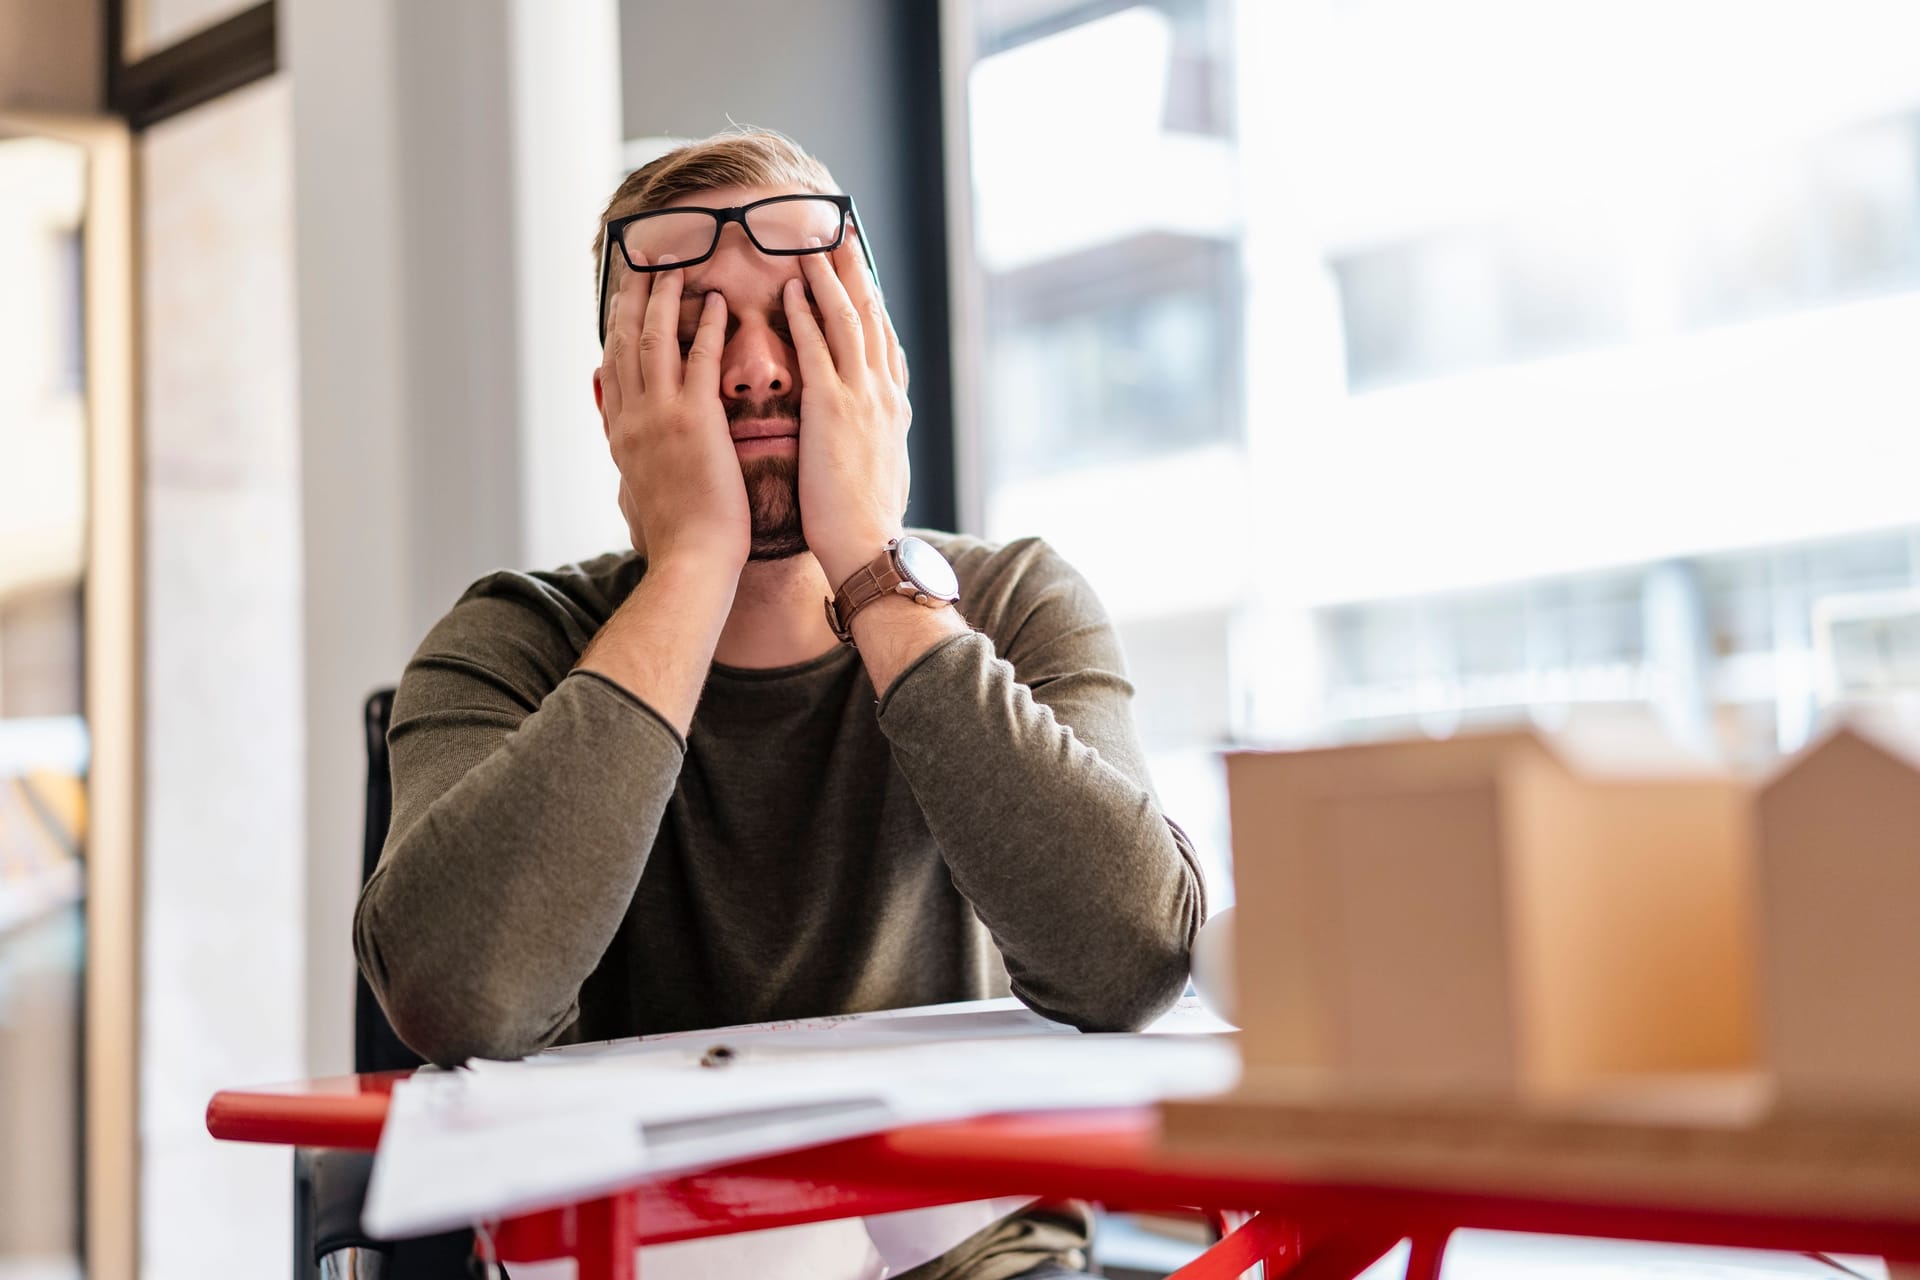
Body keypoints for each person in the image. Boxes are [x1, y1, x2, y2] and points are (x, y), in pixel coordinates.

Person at [354, 128, 1206, 1280]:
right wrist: (693, 561)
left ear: (878, 367)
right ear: (618, 401)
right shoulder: (511, 638)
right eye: (698, 332)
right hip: (635, 1250)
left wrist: (870, 562)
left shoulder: (1011, 602)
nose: (755, 370)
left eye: (799, 317)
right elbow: (460, 991)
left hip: (963, 1255)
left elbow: (1131, 957)